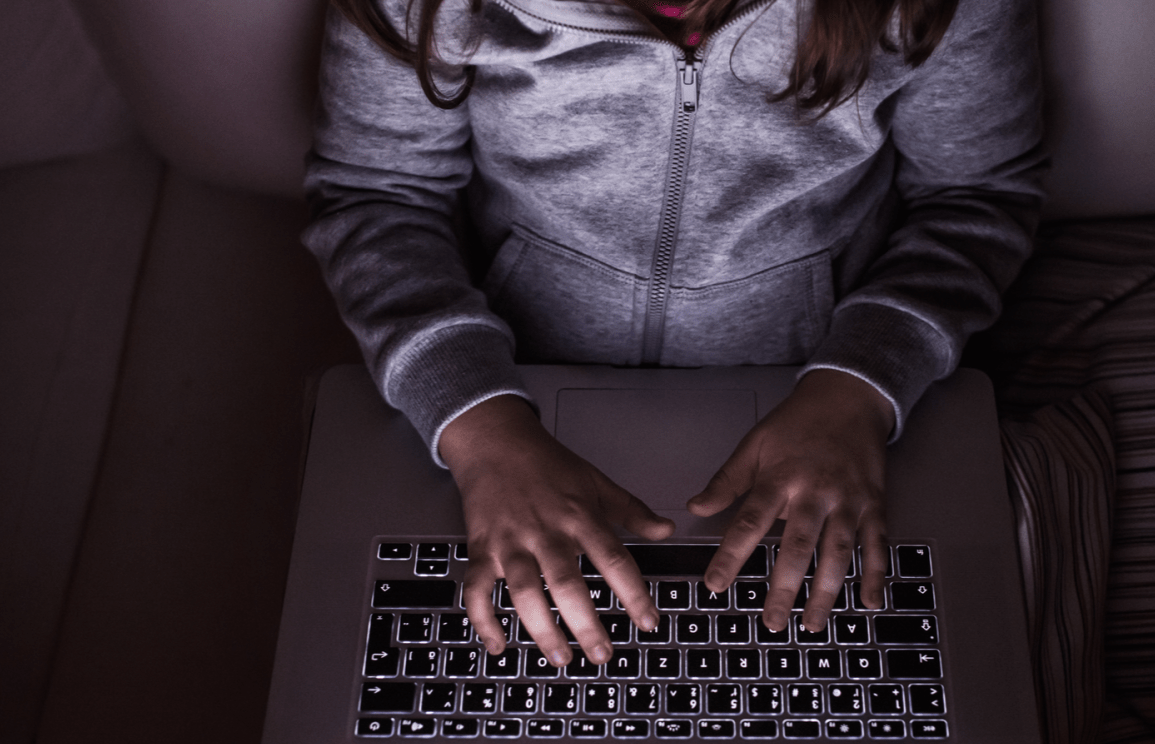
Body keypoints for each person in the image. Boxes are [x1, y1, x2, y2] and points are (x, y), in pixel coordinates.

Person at [304, 0, 1046, 671]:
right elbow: (379, 194)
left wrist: (860, 385)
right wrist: (474, 422)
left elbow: (974, 194)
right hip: (503, 407)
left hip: (825, 408)